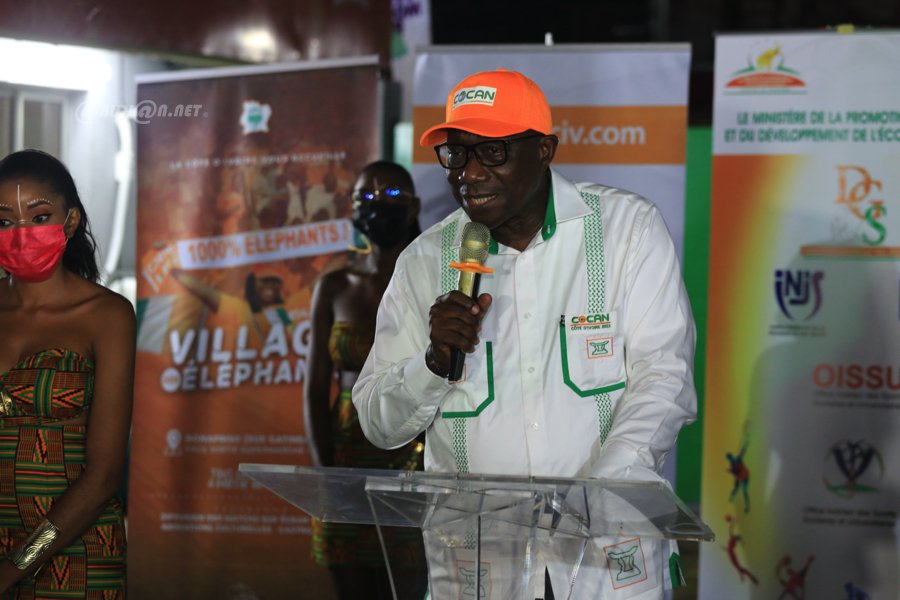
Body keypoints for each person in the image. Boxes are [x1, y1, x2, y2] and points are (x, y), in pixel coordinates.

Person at [352, 70, 697, 599]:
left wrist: (597, 496)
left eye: (492, 152)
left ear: (544, 150)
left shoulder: (625, 230)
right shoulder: (425, 262)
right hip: (481, 567)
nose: (469, 174)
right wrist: (433, 363)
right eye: (456, 153)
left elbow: (665, 379)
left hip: (606, 560)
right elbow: (378, 423)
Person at [0, 149, 134, 597]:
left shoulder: (107, 315)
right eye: (4, 222)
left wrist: (14, 567)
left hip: (77, 556)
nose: (21, 234)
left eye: (39, 217)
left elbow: (104, 475)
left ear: (70, 221)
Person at [304, 161, 427, 600]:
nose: (377, 203)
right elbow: (315, 390)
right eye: (365, 196)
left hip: (414, 454)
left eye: (391, 194)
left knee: (407, 585)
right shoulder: (334, 286)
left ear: (413, 206)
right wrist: (327, 476)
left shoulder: (432, 281)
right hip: (345, 457)